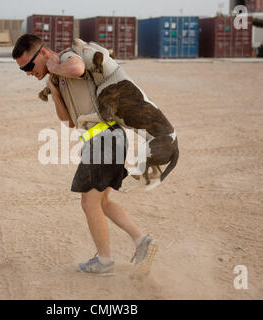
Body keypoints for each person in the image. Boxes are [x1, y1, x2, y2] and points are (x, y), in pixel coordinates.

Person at [13, 34, 157, 275]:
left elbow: (78, 67)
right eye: (23, 70)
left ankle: (104, 261)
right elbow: (67, 121)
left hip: (105, 138)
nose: (28, 72)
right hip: (102, 139)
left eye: (29, 66)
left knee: (89, 202)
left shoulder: (67, 57)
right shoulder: (59, 78)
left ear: (44, 54)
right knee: (102, 202)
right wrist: (55, 91)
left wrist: (55, 67)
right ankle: (142, 241)